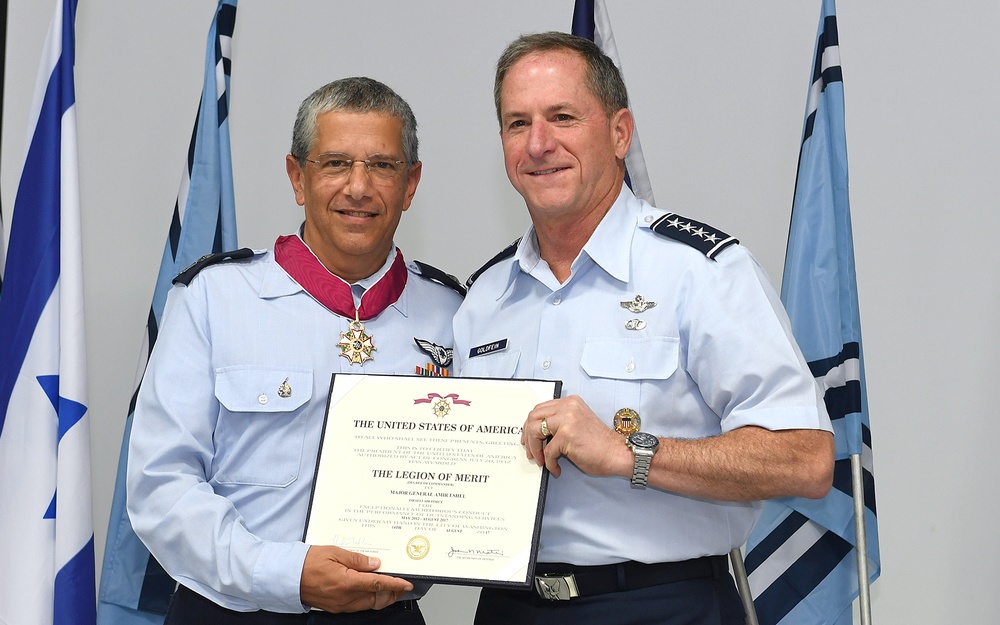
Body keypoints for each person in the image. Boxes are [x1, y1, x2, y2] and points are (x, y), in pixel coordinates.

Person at [453, 32, 835, 625]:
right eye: (516, 123)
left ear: (619, 132)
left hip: (663, 605)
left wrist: (625, 450)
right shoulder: (482, 298)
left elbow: (805, 460)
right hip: (510, 609)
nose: (539, 144)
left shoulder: (700, 272)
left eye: (562, 117)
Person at [127, 77, 465, 624]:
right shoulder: (215, 298)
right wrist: (286, 573)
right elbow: (160, 487)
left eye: (382, 165)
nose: (358, 187)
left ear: (411, 183)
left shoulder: (454, 313)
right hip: (234, 609)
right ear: (297, 178)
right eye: (335, 163)